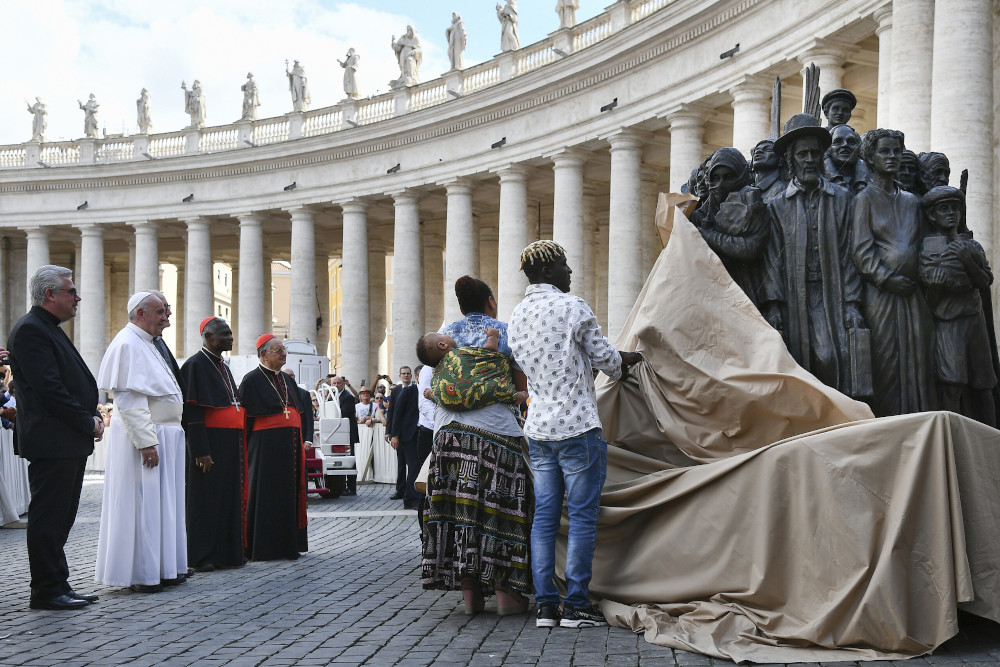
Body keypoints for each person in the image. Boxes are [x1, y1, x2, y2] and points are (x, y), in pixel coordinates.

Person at [508, 242, 642, 629]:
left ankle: (546, 606)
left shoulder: (517, 316)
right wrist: (626, 360)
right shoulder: (573, 306)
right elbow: (607, 361)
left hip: (538, 429)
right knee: (582, 518)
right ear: (550, 270)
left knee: (545, 518)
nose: (570, 272)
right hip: (578, 426)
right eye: (565, 265)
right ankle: (577, 605)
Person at [420, 275, 534, 617]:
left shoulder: (445, 337)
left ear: (460, 306)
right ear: (491, 302)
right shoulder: (504, 331)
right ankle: (505, 593)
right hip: (495, 434)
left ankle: (470, 594)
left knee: (460, 510)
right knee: (499, 508)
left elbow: (434, 385)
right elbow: (520, 384)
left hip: (448, 437)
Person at [8, 266, 103, 610]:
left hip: (64, 438)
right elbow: (50, 389)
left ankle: (58, 582)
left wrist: (90, 416)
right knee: (49, 516)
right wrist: (86, 421)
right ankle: (46, 590)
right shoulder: (31, 330)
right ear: (50, 295)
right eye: (71, 291)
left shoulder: (47, 328)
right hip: (53, 439)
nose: (77, 298)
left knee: (62, 516)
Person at [761, 114, 866, 398]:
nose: (809, 159)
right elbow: (773, 259)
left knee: (832, 356)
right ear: (791, 159)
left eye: (814, 153)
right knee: (798, 359)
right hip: (793, 295)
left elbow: (850, 255)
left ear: (822, 157)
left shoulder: (843, 199)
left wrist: (853, 303)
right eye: (802, 153)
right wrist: (773, 304)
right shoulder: (777, 204)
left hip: (832, 294)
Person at [95, 291, 187, 593]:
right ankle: (143, 573)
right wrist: (147, 442)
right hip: (148, 438)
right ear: (140, 313)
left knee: (164, 505)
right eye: (161, 312)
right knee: (144, 506)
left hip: (164, 435)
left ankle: (164, 567)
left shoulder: (148, 343)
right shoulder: (127, 343)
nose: (167, 319)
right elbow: (130, 398)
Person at [853, 128, 937, 416]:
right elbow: (862, 252)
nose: (892, 156)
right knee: (886, 362)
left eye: (896, 151)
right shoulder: (864, 199)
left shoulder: (912, 201)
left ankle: (919, 424)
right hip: (882, 297)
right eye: (884, 151)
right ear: (870, 158)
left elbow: (924, 245)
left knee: (919, 361)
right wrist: (888, 279)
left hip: (913, 296)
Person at [918, 186, 998, 427]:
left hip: (974, 322)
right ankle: (950, 440)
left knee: (984, 384)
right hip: (948, 324)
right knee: (952, 383)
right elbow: (931, 289)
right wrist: (945, 282)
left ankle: (992, 440)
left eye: (955, 208)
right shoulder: (928, 247)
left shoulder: (972, 246)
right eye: (944, 209)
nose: (951, 213)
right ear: (932, 215)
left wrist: (966, 260)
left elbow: (984, 281)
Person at [179, 317, 247, 572]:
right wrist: (201, 451)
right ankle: (201, 555)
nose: (230, 338)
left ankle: (227, 552)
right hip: (209, 445)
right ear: (208, 337)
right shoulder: (195, 365)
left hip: (228, 444)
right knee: (205, 501)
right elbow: (192, 412)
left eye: (230, 334)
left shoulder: (223, 366)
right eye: (225, 334)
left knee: (226, 498)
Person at [238, 335, 308, 560]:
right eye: (278, 350)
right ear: (263, 354)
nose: (283, 353)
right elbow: (246, 421)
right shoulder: (251, 380)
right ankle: (263, 548)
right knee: (264, 495)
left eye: (284, 349)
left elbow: (294, 412)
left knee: (289, 494)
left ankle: (288, 546)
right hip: (264, 449)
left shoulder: (287, 381)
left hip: (290, 447)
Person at [416, 329, 525, 411]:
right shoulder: (461, 353)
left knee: (439, 393)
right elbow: (489, 351)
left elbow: (437, 394)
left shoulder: (436, 375)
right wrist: (492, 336)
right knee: (493, 387)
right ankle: (515, 396)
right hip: (477, 396)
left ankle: (431, 394)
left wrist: (430, 394)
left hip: (454, 403)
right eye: (441, 335)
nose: (446, 334)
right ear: (442, 345)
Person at [386, 366, 420, 508]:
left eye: (408, 374)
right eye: (404, 374)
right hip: (405, 434)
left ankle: (412, 495)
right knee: (411, 466)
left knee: (415, 466)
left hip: (419, 433)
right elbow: (395, 413)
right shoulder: (404, 391)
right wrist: (393, 434)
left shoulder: (419, 390)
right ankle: (409, 497)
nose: (406, 376)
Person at [330, 376, 359, 495]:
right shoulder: (332, 396)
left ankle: (351, 487)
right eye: (334, 383)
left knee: (350, 458)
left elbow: (344, 413)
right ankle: (341, 486)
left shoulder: (347, 397)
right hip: (337, 433)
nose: (336, 385)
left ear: (343, 384)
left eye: (339, 383)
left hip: (347, 433)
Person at [823, 125, 870, 195]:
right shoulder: (818, 180)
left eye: (851, 142)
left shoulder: (873, 181)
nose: (845, 144)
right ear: (828, 149)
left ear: (858, 148)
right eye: (838, 142)